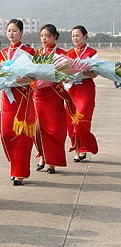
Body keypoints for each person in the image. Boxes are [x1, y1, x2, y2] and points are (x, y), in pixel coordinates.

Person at [0, 19, 36, 186]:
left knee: (22, 136)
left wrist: (26, 79)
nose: (11, 33)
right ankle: (15, 165)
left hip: (23, 98)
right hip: (7, 98)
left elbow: (35, 75)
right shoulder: (1, 54)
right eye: (9, 30)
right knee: (6, 134)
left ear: (21, 32)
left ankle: (19, 172)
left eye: (15, 31)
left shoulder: (29, 51)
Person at [34, 24, 75, 174]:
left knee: (55, 129)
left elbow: (68, 74)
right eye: (42, 36)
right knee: (38, 129)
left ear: (54, 37)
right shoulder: (38, 53)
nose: (44, 39)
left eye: (47, 36)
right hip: (39, 95)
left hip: (55, 95)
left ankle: (52, 162)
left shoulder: (62, 54)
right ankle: (43, 156)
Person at [66, 25, 99, 161]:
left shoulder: (92, 53)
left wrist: (84, 71)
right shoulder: (68, 54)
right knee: (71, 123)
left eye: (78, 35)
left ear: (85, 36)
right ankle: (77, 150)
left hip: (85, 89)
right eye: (73, 36)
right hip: (71, 89)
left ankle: (87, 146)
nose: (75, 38)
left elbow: (95, 74)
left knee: (81, 120)